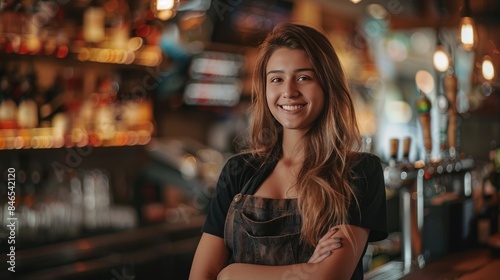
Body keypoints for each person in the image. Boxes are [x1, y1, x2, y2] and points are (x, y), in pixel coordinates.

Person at [189, 23, 388, 280]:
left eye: (304, 77)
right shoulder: (239, 171)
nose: (289, 91)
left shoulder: (358, 172)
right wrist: (304, 269)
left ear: (328, 85)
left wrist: (231, 274)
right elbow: (200, 276)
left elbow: (327, 278)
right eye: (277, 79)